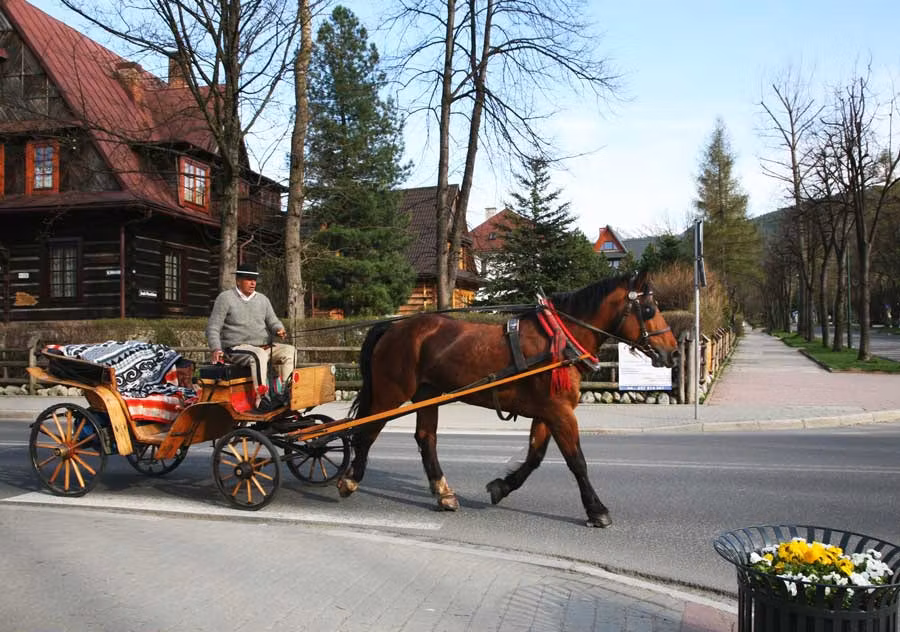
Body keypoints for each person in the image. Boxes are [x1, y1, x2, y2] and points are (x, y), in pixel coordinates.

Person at [206, 262, 296, 410]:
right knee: (258, 355)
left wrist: (279, 328)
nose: (253, 283)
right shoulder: (225, 298)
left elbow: (273, 321)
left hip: (263, 346)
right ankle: (263, 400)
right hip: (235, 348)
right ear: (238, 281)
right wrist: (216, 349)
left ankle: (283, 393)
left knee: (290, 351)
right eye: (248, 279)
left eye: (254, 279)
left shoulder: (263, 299)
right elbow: (213, 327)